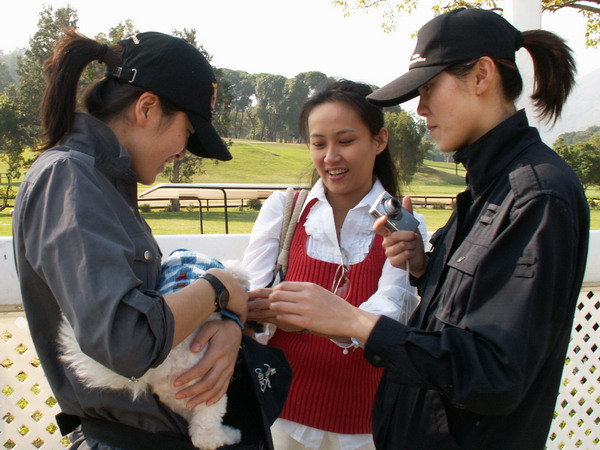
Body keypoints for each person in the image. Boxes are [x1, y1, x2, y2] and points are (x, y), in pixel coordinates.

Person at [266, 8, 590, 450]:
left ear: (481, 76)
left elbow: (493, 371)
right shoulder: (488, 188)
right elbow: (469, 311)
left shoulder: (536, 196)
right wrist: (425, 268)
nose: (420, 110)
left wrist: (354, 321)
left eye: (429, 88)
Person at [12, 30, 251, 449]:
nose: (182, 151)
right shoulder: (69, 179)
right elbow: (129, 341)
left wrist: (230, 322)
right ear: (146, 108)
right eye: (187, 132)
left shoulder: (103, 183)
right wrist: (220, 288)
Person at [241, 80, 427, 450]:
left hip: (368, 423)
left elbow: (390, 314)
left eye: (345, 141)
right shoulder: (285, 210)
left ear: (379, 140)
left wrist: (298, 317)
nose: (330, 157)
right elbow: (250, 307)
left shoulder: (405, 224)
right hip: (282, 411)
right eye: (319, 143)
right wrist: (338, 321)